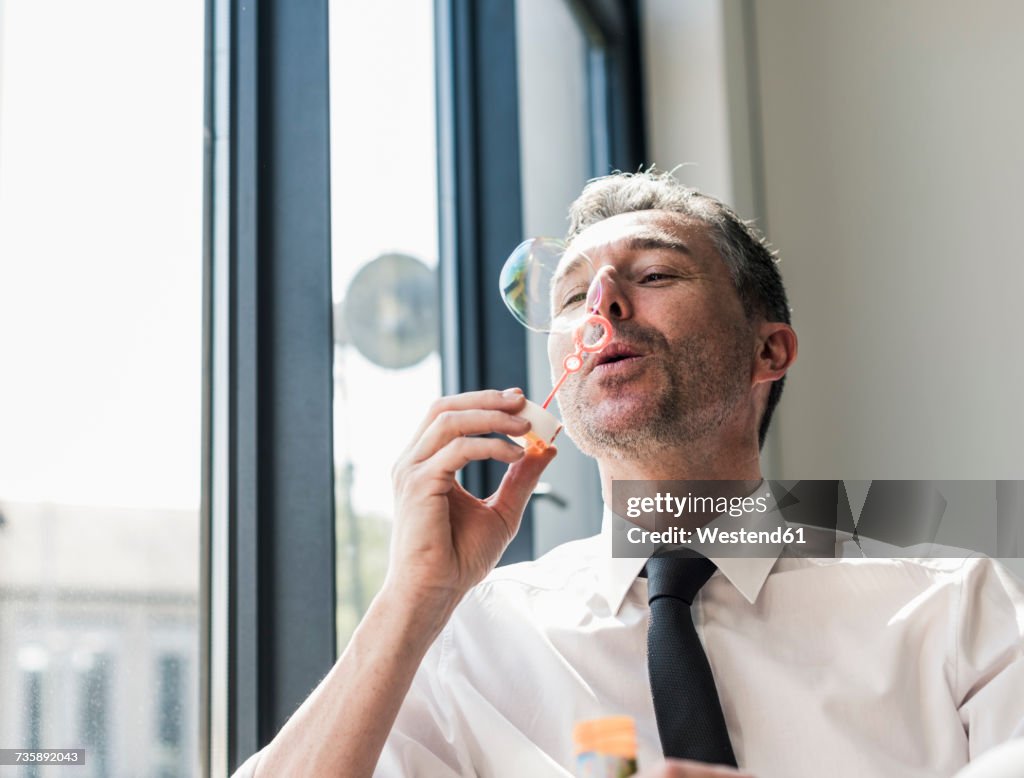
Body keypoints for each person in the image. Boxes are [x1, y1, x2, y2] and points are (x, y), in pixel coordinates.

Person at [234, 170, 1024, 777]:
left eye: (653, 275)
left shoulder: (960, 610)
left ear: (768, 352)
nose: (601, 306)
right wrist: (410, 599)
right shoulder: (466, 640)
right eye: (573, 295)